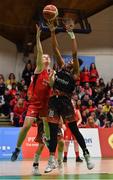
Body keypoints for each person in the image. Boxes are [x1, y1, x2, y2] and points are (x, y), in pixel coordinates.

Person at [44, 20, 94, 171]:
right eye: (70, 60)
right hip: (54, 101)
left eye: (73, 61)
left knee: (74, 130)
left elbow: (74, 53)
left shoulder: (75, 73)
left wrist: (72, 34)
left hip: (66, 102)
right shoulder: (61, 66)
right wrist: (52, 31)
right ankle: (51, 159)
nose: (70, 60)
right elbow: (55, 48)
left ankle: (86, 155)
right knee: (53, 132)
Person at [11, 25, 54, 163]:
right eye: (44, 57)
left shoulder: (52, 72)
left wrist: (52, 81)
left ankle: (48, 144)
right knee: (27, 125)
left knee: (47, 124)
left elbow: (53, 86)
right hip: (35, 103)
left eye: (47, 57)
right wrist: (37, 37)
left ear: (50, 61)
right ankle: (17, 148)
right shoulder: (39, 69)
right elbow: (40, 53)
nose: (45, 58)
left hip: (46, 103)